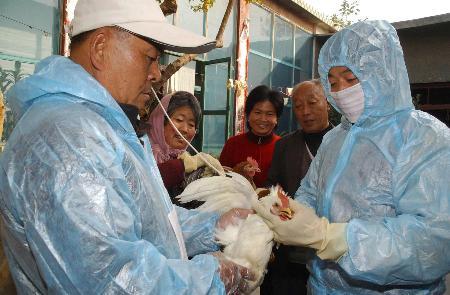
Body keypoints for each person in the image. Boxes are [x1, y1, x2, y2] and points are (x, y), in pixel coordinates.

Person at [0, 0, 256, 293]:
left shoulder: (99, 125)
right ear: (100, 48)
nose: (157, 74)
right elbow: (111, 278)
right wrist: (211, 278)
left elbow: (146, 220)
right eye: (149, 57)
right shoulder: (68, 137)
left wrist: (217, 226)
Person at [253, 20, 450, 294]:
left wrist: (336, 239)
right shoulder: (337, 138)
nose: (341, 91)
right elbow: (311, 192)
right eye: (332, 82)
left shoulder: (424, 137)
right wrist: (290, 214)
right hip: (321, 286)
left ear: (383, 73)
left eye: (351, 79)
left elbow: (434, 239)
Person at [262, 79, 332, 295]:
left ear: (327, 103)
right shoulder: (284, 146)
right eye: (299, 106)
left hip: (331, 248)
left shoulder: (345, 142)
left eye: (312, 103)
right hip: (291, 249)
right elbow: (272, 187)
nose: (305, 111)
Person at [147, 91, 224, 204]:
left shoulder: (184, 158)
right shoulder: (142, 150)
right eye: (179, 120)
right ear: (160, 120)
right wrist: (183, 164)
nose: (184, 129)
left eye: (191, 125)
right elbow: (148, 182)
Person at [219, 85, 284, 188]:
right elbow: (220, 179)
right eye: (258, 112)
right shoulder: (233, 144)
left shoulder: (284, 146)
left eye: (269, 114)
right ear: (248, 115)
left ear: (277, 118)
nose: (263, 119)